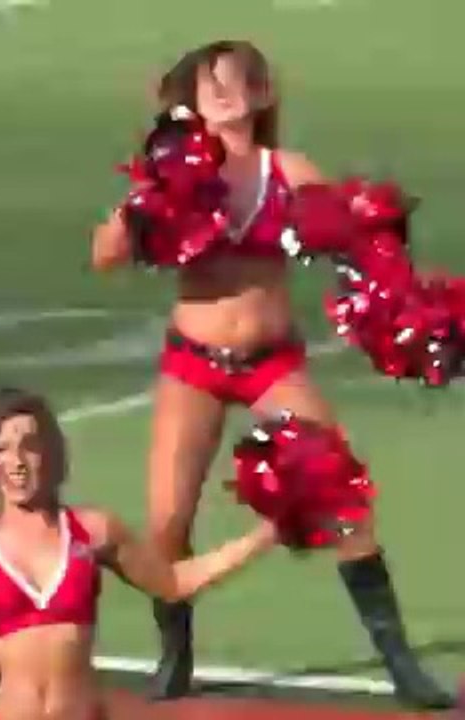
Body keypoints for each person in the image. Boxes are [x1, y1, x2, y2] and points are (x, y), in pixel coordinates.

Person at [88, 40, 453, 708]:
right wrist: (147, 200)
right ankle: (175, 651)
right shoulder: (175, 173)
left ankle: (399, 661)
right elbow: (104, 256)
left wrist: (400, 293)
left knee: (340, 497)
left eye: (239, 81)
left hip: (270, 365)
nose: (228, 92)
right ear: (191, 105)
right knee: (167, 521)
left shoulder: (288, 171)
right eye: (212, 85)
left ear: (262, 95)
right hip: (193, 366)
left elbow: (357, 244)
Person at [0, 387, 279, 720]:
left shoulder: (94, 530)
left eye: (30, 446)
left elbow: (175, 582)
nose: (18, 462)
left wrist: (267, 533)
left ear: (50, 454)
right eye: (2, 449)